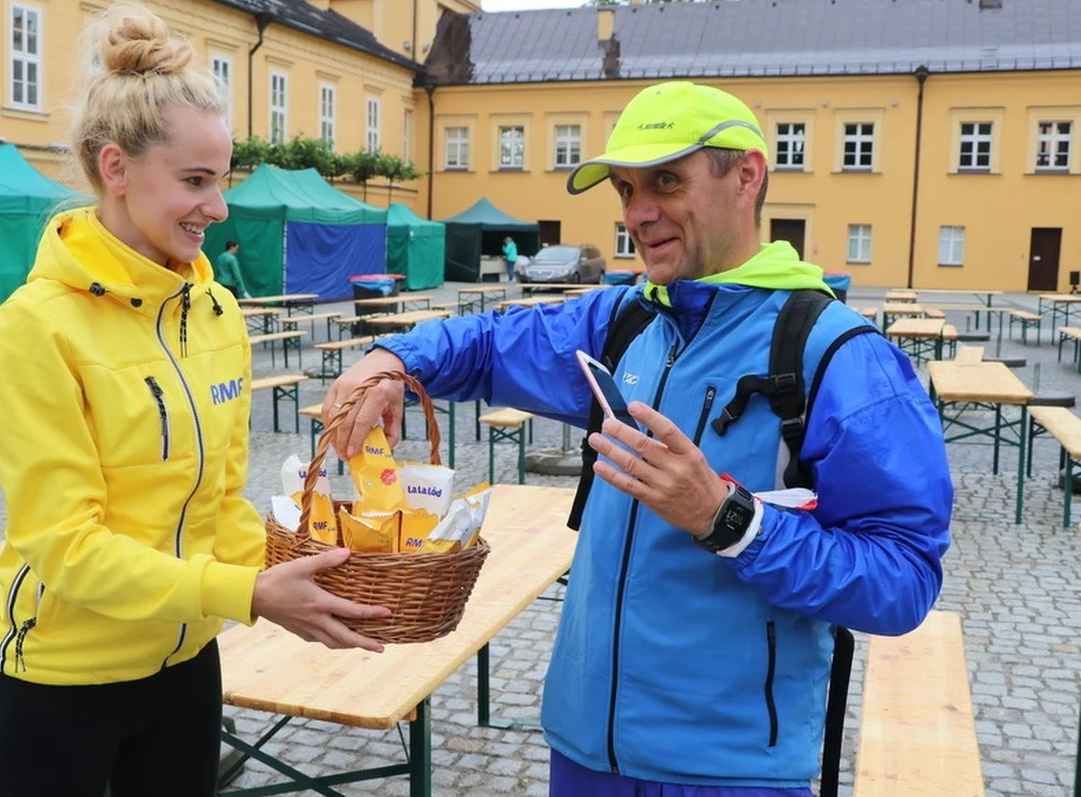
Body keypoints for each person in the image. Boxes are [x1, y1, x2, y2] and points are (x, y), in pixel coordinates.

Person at [323, 81, 952, 795]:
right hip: (583, 751)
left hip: (729, 770)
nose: (639, 213)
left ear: (746, 176)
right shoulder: (625, 322)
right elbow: (491, 344)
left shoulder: (838, 356)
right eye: (626, 189)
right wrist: (392, 361)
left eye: (667, 181)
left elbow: (902, 579)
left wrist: (729, 520)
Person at [0, 4, 388, 797]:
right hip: (62, 679)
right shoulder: (36, 327)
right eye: (196, 181)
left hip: (186, 666)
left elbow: (221, 502)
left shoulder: (217, 312)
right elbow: (64, 547)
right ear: (116, 168)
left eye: (220, 180)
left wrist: (306, 572)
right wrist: (247, 593)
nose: (219, 206)